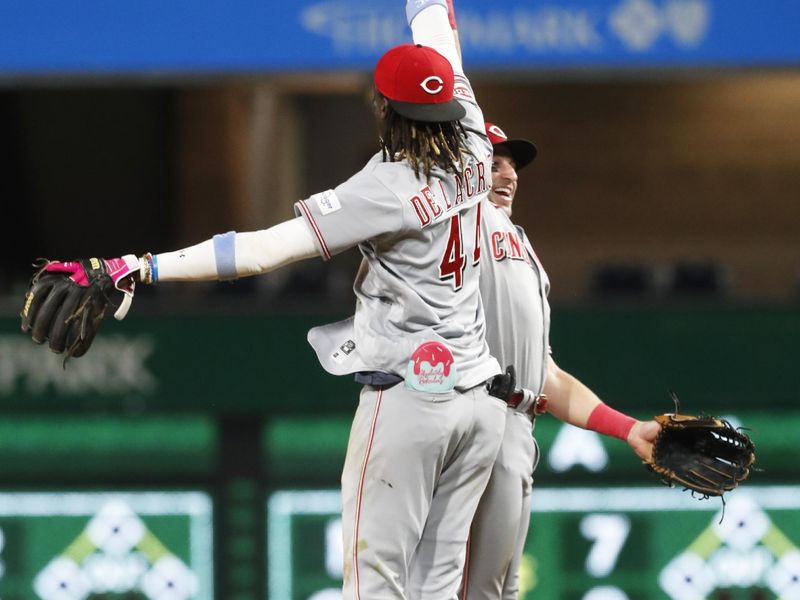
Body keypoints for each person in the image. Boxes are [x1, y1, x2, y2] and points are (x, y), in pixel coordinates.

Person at [26, 1, 512, 598]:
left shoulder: (387, 186)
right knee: (438, 587)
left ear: (383, 108)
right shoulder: (473, 131)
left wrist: (139, 268)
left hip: (413, 401)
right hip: (478, 405)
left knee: (376, 587)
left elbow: (259, 252)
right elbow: (435, 19)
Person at [457, 119, 663, 600]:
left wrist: (627, 428)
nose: (506, 174)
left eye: (511, 164)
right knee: (470, 590)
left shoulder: (524, 248)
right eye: (492, 160)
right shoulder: (460, 226)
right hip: (475, 420)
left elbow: (547, 375)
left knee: (501, 591)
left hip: (519, 424)